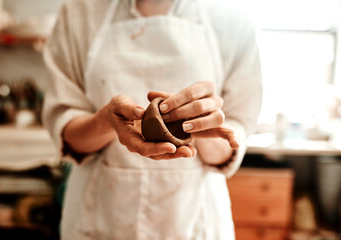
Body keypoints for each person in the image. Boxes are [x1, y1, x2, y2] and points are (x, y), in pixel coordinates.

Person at [42, 0, 262, 239]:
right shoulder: (80, 11)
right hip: (101, 214)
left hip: (192, 217)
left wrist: (198, 128)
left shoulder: (232, 19)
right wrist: (106, 120)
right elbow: (64, 125)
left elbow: (235, 135)